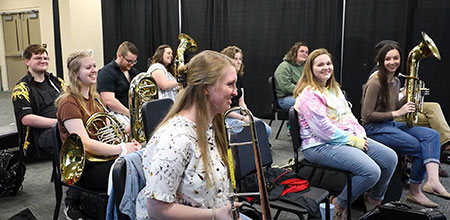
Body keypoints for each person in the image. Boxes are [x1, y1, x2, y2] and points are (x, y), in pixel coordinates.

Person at [135, 50, 245, 220]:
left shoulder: (212, 126)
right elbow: (156, 210)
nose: (235, 92)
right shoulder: (175, 139)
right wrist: (215, 214)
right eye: (230, 84)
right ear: (206, 89)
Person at [294, 48, 397, 219]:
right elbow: (324, 130)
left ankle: (372, 200)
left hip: (343, 139)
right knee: (371, 172)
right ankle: (338, 204)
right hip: (319, 145)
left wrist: (359, 135)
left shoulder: (334, 89)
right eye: (320, 65)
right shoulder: (308, 95)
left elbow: (350, 117)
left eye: (328, 63)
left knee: (390, 158)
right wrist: (353, 141)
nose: (326, 67)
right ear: (310, 69)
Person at [361, 43, 450, 208]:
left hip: (390, 124)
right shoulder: (375, 82)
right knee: (419, 148)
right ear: (381, 61)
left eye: (395, 58)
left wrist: (409, 97)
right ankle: (415, 191)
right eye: (387, 59)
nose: (392, 62)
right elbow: (366, 115)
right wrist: (398, 112)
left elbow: (392, 105)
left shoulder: (395, 81)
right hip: (374, 128)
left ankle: (432, 181)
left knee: (432, 135)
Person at [56, 50, 141, 219]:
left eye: (94, 65)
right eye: (88, 67)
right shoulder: (68, 102)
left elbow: (111, 130)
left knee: (139, 162)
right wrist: (122, 148)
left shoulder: (95, 99)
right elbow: (85, 144)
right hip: (86, 167)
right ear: (75, 73)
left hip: (102, 158)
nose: (94, 70)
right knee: (127, 172)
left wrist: (130, 135)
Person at [11, 44, 64, 160]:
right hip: (40, 135)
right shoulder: (21, 89)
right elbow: (27, 119)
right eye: (38, 58)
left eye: (45, 58)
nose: (43, 61)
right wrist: (59, 123)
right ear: (27, 61)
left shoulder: (57, 82)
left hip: (61, 126)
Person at [221, 46, 272, 137]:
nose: (239, 62)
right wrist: (243, 118)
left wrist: (249, 116)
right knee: (246, 132)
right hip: (226, 116)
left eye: (240, 59)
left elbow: (242, 102)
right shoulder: (221, 80)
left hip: (238, 113)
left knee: (266, 129)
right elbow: (223, 110)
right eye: (235, 59)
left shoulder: (239, 78)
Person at [97, 41, 140, 119]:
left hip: (133, 113)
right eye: (129, 61)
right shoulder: (106, 72)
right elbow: (109, 101)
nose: (132, 64)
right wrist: (130, 115)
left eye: (134, 62)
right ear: (119, 55)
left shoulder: (134, 72)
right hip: (117, 115)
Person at [274, 42, 309, 110]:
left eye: (306, 52)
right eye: (302, 51)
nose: (304, 54)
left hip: (299, 95)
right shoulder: (284, 67)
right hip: (284, 99)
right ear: (294, 52)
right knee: (308, 102)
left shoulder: (304, 67)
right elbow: (286, 87)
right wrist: (304, 91)